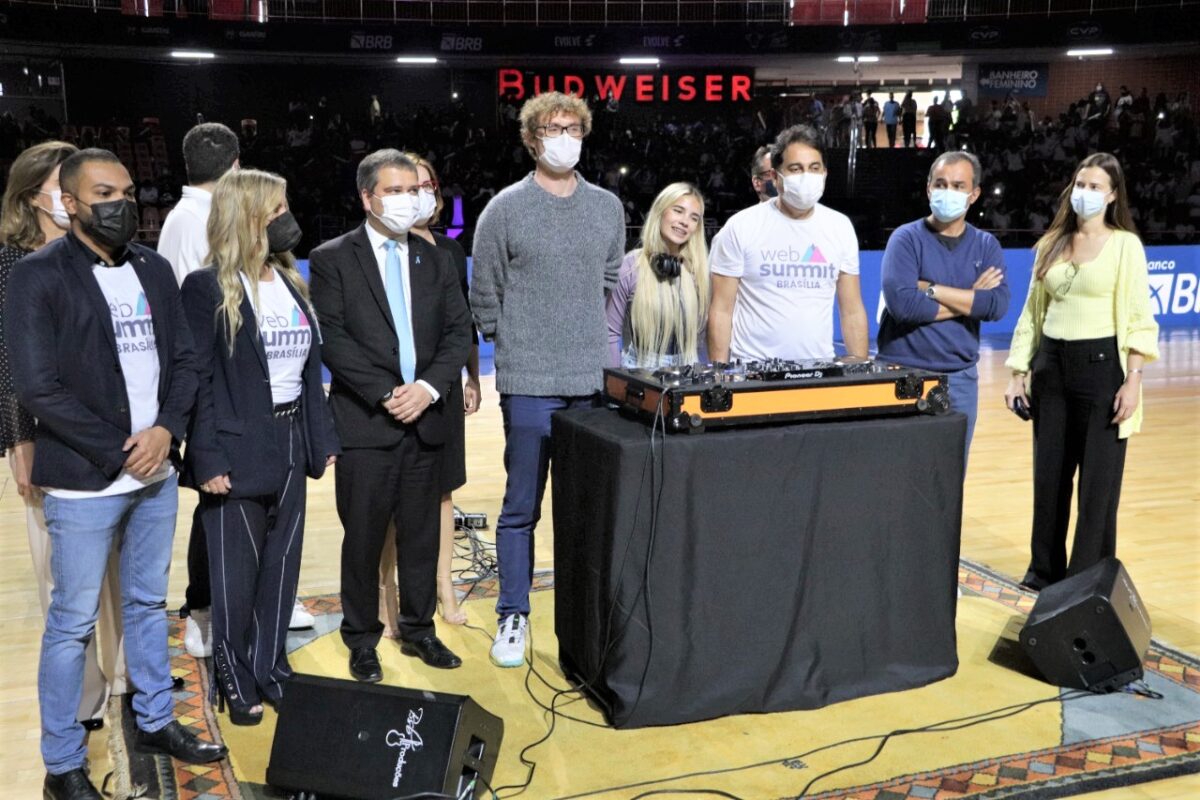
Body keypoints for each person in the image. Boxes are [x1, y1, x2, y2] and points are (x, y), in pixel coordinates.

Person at [6, 148, 224, 800]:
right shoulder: (36, 277)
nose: (120, 203)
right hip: (84, 479)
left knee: (146, 605)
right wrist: (121, 449)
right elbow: (37, 386)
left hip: (154, 476)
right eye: (103, 192)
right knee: (71, 622)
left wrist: (165, 432)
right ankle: (62, 763)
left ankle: (156, 718)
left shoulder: (154, 269)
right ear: (66, 202)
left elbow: (184, 360)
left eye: (127, 191)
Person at [471, 91, 624, 668]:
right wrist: (513, 343)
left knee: (584, 508)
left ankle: (582, 611)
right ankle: (513, 614)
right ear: (532, 138)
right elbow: (483, 291)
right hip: (529, 379)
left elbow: (608, 276)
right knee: (520, 507)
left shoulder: (607, 207)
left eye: (573, 127)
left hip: (588, 380)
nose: (564, 136)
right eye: (552, 128)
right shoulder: (504, 209)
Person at [180, 169, 340, 725]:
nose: (285, 219)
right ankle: (234, 673)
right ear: (246, 216)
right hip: (235, 444)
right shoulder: (204, 288)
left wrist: (323, 441)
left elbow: (310, 370)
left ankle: (272, 667)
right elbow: (197, 379)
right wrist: (206, 458)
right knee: (235, 576)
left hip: (293, 437)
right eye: (275, 210)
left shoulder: (294, 283)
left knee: (281, 565)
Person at [310, 149, 471, 682]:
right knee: (363, 538)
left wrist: (426, 388)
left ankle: (419, 630)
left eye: (414, 190)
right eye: (396, 191)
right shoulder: (333, 257)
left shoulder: (437, 258)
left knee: (422, 535)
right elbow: (332, 338)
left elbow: (457, 333)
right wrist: (387, 393)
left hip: (427, 418)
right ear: (368, 198)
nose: (410, 200)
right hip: (367, 424)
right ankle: (361, 638)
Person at [0, 140, 127, 734]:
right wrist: (19, 441)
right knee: (64, 579)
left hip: (115, 440)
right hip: (45, 439)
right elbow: (10, 368)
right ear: (36, 197)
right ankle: (83, 695)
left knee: (119, 572)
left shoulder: (103, 254)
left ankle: (125, 675)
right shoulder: (12, 265)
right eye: (65, 183)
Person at [1004, 153, 1158, 592]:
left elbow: (1137, 314)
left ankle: (1085, 576)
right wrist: (1017, 371)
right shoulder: (1051, 242)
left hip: (1102, 370)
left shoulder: (1125, 244)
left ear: (1112, 196)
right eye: (1080, 184)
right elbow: (1032, 313)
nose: (1084, 193)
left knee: (1097, 485)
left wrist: (1133, 379)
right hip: (1050, 367)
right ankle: (1043, 570)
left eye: (1095, 187)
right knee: (1049, 476)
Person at [378, 153, 480, 633]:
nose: (417, 195)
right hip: (393, 394)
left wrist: (472, 378)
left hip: (441, 390)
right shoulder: (376, 251)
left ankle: (444, 586)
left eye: (424, 186)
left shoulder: (450, 251)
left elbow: (464, 324)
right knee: (393, 497)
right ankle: (388, 591)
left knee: (442, 492)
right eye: (406, 187)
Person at [876, 151, 1010, 465]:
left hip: (959, 381)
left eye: (958, 186)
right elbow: (905, 307)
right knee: (895, 474)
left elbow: (996, 305)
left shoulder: (985, 245)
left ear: (974, 194)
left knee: (948, 480)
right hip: (902, 374)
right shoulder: (905, 239)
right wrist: (970, 298)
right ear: (928, 188)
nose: (947, 192)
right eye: (941, 183)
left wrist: (931, 289)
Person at [708, 124, 869, 364]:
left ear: (825, 172)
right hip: (753, 371)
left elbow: (852, 310)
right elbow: (721, 311)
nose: (807, 176)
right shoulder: (741, 226)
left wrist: (859, 369)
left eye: (814, 168)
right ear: (775, 176)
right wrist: (719, 375)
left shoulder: (840, 227)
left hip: (818, 370)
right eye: (796, 169)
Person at [606, 182, 710, 369]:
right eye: (678, 210)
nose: (685, 222)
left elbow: (701, 339)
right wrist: (615, 384)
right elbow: (610, 333)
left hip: (686, 371)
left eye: (694, 218)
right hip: (639, 372)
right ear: (660, 212)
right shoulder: (630, 266)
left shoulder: (696, 272)